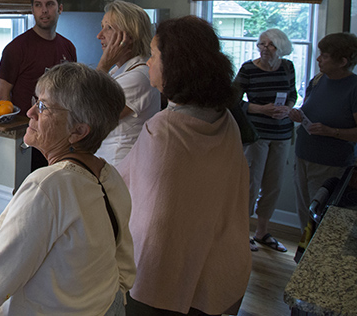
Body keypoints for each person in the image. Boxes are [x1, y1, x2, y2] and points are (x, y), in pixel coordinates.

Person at [0, 62, 135, 316]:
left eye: (44, 107)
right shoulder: (110, 177)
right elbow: (123, 265)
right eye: (37, 100)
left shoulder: (47, 187)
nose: (31, 110)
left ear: (78, 131)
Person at [119, 16, 251, 316]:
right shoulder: (225, 119)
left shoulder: (165, 129)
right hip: (220, 266)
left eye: (153, 56)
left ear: (175, 65)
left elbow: (121, 186)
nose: (148, 63)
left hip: (162, 277)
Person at [0, 0, 76, 170]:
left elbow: (73, 95)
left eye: (49, 4)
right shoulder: (16, 49)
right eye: (38, 5)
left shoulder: (68, 48)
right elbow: (1, 97)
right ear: (32, 9)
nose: (44, 10)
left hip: (60, 139)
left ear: (60, 8)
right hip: (29, 140)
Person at [234, 28, 297, 253]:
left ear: (280, 48)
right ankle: (243, 232)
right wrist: (261, 109)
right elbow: (234, 99)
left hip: (281, 134)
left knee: (273, 185)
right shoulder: (249, 69)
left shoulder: (288, 67)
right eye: (261, 44)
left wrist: (286, 109)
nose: (264, 49)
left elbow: (292, 94)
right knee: (251, 183)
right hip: (257, 135)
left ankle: (262, 232)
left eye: (270, 45)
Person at [289, 32, 357, 234]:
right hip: (303, 156)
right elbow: (309, 109)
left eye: (325, 55)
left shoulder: (354, 88)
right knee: (304, 215)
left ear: (342, 61)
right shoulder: (318, 80)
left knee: (321, 219)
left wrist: (331, 131)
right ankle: (304, 259)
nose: (318, 59)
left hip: (330, 164)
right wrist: (298, 114)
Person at [95, 0, 161, 166]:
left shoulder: (139, 76)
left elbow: (93, 115)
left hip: (122, 164)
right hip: (108, 161)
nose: (99, 35)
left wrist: (103, 65)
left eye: (108, 28)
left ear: (128, 36)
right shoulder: (119, 70)